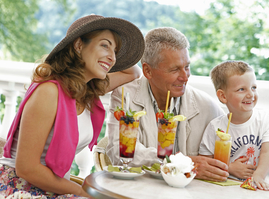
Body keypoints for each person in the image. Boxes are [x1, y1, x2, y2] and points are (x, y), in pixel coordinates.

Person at [0, 14, 144, 198]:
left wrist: (104, 56)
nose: (113, 57)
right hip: (22, 187)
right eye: (104, 45)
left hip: (56, 188)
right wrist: (84, 192)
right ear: (78, 45)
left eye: (115, 50)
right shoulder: (49, 92)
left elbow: (134, 72)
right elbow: (26, 169)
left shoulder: (86, 91)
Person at [106, 27, 229, 182]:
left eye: (187, 67)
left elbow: (229, 151)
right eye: (175, 70)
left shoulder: (208, 107)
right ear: (148, 71)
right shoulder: (125, 96)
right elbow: (117, 151)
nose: (185, 77)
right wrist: (180, 163)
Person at [199, 61, 269, 191]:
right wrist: (229, 167)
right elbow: (206, 162)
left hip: (260, 187)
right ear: (223, 96)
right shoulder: (215, 127)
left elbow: (268, 151)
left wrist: (258, 176)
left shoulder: (265, 118)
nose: (250, 94)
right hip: (227, 188)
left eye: (253, 87)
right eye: (242, 89)